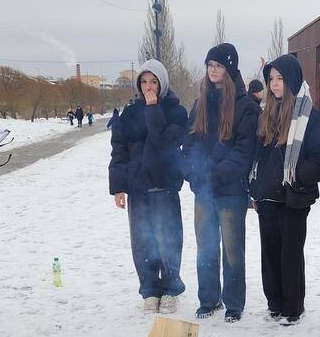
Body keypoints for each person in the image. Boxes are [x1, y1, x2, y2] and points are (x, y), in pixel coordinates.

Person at [249, 54, 320, 326]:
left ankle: (293, 307)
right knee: (270, 253)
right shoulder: (266, 114)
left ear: (292, 80)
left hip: (293, 196)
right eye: (271, 79)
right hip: (267, 196)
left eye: (280, 79)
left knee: (290, 254)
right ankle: (274, 302)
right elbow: (258, 156)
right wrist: (255, 186)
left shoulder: (310, 117)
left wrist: (297, 175)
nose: (274, 84)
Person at [182, 42, 260, 322]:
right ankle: (208, 298)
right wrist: (192, 173)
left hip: (230, 191)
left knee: (231, 250)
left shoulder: (245, 106)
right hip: (203, 191)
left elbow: (243, 152)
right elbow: (188, 142)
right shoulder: (200, 102)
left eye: (218, 65)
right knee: (205, 247)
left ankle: (234, 303)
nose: (212, 70)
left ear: (229, 68)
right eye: (209, 66)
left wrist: (212, 175)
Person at [108, 59, 188, 314]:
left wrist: (153, 109)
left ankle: (171, 289)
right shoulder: (130, 112)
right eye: (144, 82)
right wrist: (119, 187)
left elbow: (163, 142)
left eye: (153, 82)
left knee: (168, 240)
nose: (148, 87)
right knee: (143, 242)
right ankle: (149, 290)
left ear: (162, 84)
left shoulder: (176, 111)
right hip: (138, 189)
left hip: (165, 187)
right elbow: (118, 151)